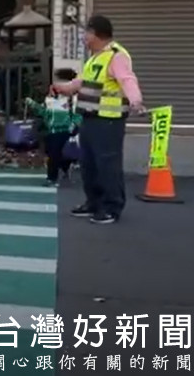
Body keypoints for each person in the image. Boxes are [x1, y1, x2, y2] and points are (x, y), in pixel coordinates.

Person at [52, 15, 144, 225]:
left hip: (108, 121)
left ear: (96, 33)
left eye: (87, 32)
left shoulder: (116, 55)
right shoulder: (95, 57)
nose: (84, 36)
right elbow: (81, 82)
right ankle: (93, 202)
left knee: (107, 164)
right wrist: (64, 88)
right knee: (89, 164)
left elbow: (127, 80)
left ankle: (112, 207)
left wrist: (136, 101)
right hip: (90, 119)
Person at [26, 68, 80, 187]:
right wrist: (32, 104)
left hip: (65, 130)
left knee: (55, 154)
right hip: (51, 130)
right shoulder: (50, 98)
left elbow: (77, 114)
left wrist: (75, 125)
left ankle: (52, 178)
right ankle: (64, 168)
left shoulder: (72, 99)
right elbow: (45, 112)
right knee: (54, 153)